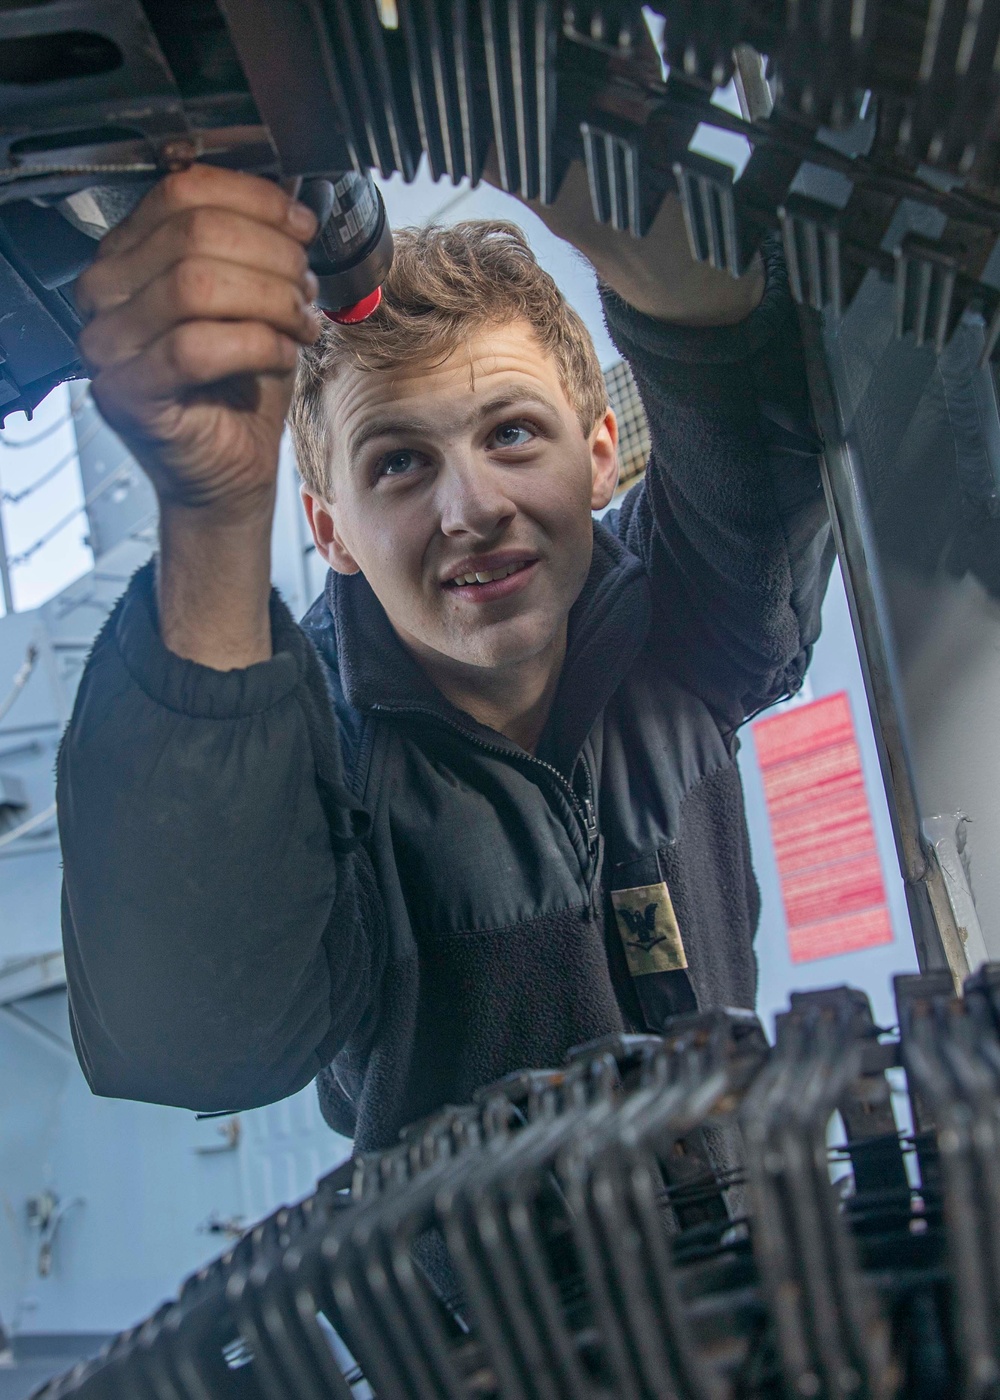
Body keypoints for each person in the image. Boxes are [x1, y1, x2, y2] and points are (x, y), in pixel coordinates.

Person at [58, 161, 832, 1150]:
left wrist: (595, 181)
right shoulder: (316, 764)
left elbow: (751, 422)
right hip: (487, 1309)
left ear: (598, 453)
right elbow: (200, 1038)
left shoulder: (673, 619)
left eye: (512, 432)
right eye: (398, 462)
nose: (471, 509)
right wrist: (212, 511)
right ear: (329, 528)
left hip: (762, 1256)